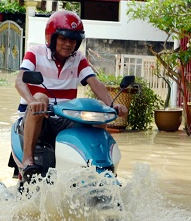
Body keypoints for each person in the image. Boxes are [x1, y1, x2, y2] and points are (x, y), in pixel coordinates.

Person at [14, 10, 127, 179]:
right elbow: (19, 81)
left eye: (73, 40)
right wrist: (31, 101)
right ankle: (28, 160)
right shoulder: (35, 53)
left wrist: (111, 105)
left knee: (97, 113)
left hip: (65, 117)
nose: (68, 44)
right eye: (63, 38)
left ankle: (98, 169)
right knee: (41, 98)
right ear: (51, 38)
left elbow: (94, 82)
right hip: (39, 117)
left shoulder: (78, 58)